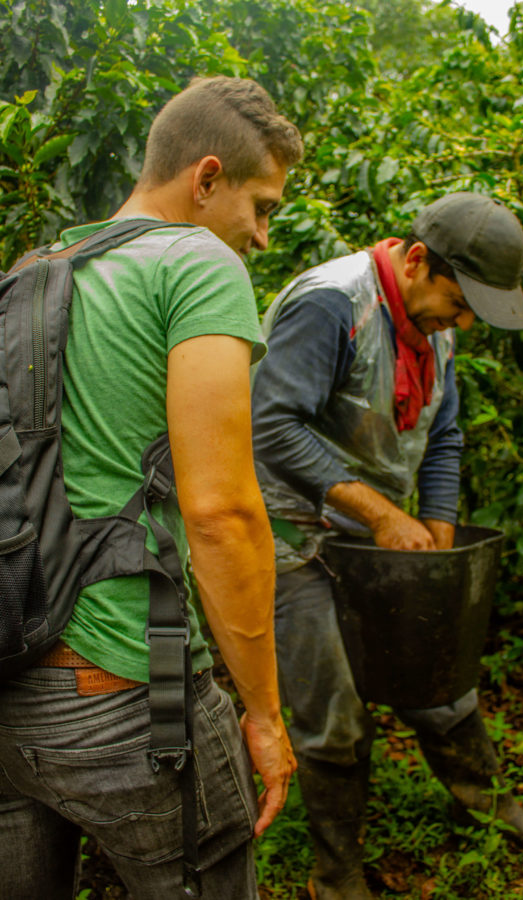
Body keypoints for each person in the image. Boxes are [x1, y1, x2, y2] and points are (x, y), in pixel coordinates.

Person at [0, 76, 303, 900]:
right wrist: (265, 714)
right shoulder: (196, 262)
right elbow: (221, 510)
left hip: (12, 683)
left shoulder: (35, 266)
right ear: (206, 179)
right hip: (138, 688)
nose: (264, 236)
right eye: (263, 206)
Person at [251, 192, 523, 900]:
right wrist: (380, 515)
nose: (460, 322)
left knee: (439, 667)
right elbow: (270, 426)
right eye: (457, 303)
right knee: (331, 716)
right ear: (417, 259)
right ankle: (335, 877)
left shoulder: (437, 327)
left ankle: (490, 804)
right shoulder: (332, 303)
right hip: (294, 538)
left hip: (373, 535)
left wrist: (438, 528)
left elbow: (444, 436)